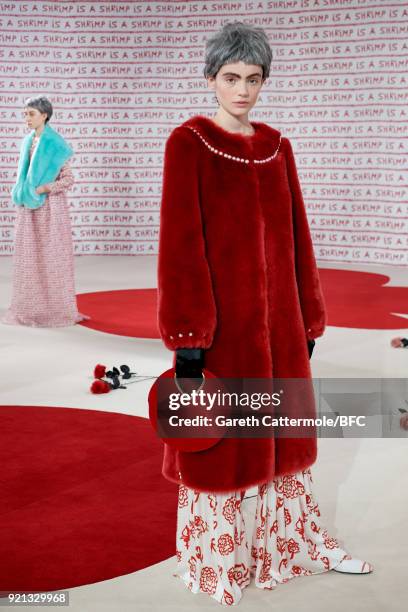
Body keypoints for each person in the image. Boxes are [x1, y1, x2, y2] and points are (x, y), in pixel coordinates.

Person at [157, 22, 373, 606]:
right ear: (210, 80)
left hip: (281, 330)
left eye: (254, 79)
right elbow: (181, 246)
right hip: (224, 332)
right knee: (222, 449)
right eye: (231, 78)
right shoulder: (190, 143)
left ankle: (296, 547)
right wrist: (189, 337)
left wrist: (309, 318)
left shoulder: (279, 146)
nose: (243, 90)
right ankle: (216, 564)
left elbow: (298, 237)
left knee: (288, 444)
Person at [2, 96, 88, 327]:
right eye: (25, 114)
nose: (26, 118)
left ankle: (54, 308)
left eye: (31, 114)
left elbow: (69, 179)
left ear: (44, 115)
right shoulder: (28, 141)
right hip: (28, 207)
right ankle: (30, 307)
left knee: (51, 258)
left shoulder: (56, 145)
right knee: (29, 257)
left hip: (50, 209)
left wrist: (45, 188)